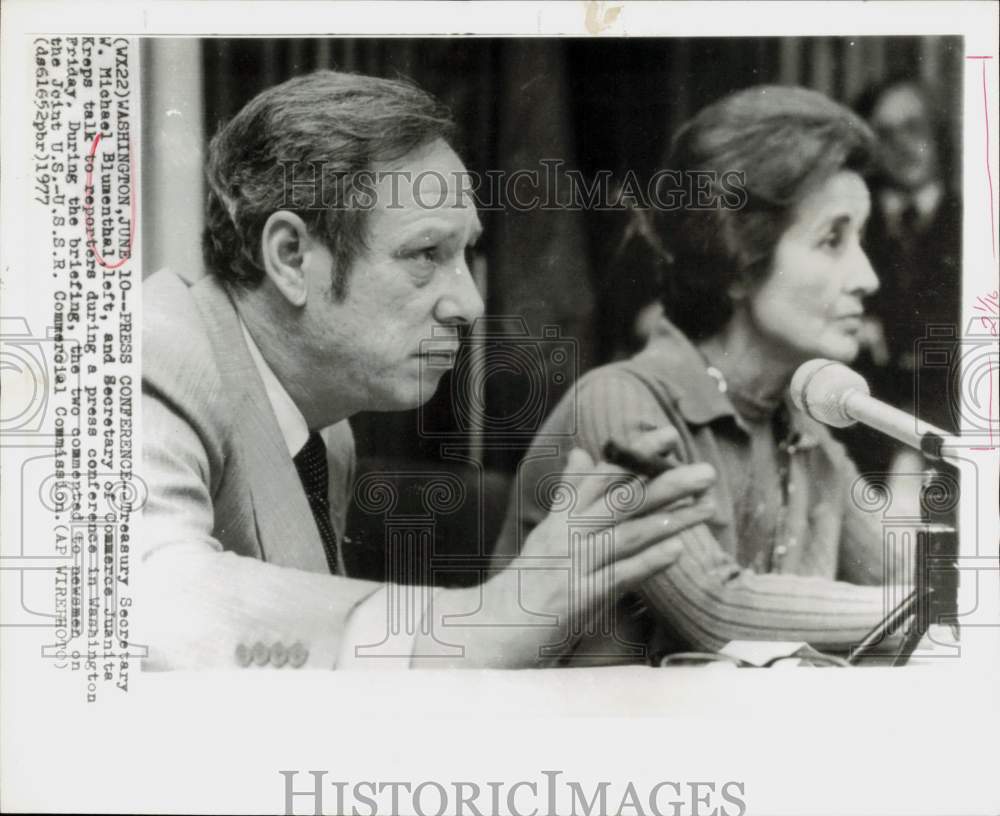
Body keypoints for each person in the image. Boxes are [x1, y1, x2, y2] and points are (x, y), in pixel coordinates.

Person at [141, 70, 718, 670]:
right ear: (291, 256)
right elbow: (145, 597)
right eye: (425, 255)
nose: (468, 304)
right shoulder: (146, 351)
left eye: (465, 254)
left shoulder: (326, 429)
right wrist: (487, 621)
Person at [496, 85, 911, 663]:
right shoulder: (620, 402)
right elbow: (717, 610)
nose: (868, 277)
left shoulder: (804, 433)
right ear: (737, 257)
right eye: (832, 240)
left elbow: (908, 571)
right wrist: (935, 608)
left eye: (861, 240)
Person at [846, 78, 962, 478]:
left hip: (953, 445)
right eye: (884, 133)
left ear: (938, 132)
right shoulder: (849, 225)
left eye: (914, 127)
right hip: (864, 451)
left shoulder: (976, 222)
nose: (901, 144)